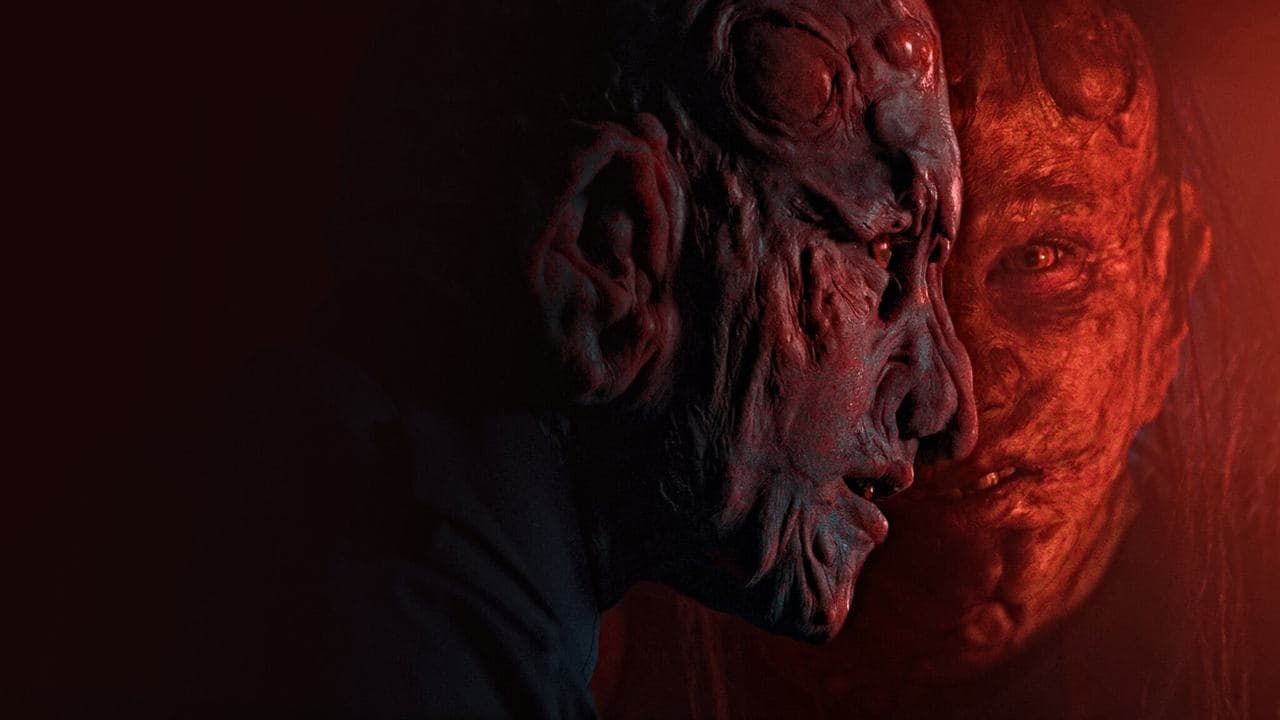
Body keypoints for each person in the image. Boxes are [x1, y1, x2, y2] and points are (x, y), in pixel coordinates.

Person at [190, 0, 978, 715]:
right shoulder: (393, 661)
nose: (945, 405)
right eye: (883, 250)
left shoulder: (309, 552)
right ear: (609, 247)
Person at [594, 0, 1280, 717]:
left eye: (1042, 260)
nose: (957, 392)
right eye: (879, 253)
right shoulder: (598, 628)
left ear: (1166, 278)